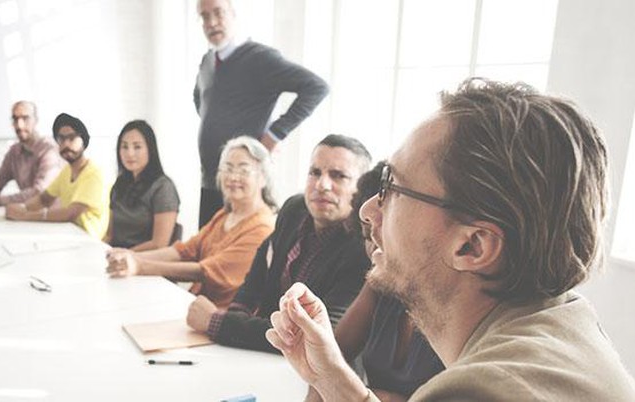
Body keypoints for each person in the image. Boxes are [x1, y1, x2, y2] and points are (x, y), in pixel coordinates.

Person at [265, 78, 635, 401]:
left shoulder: (476, 392)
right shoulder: (566, 316)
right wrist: (330, 379)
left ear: (472, 246)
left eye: (390, 187)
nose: (367, 211)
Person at [185, 134, 372, 353]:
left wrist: (219, 322)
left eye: (338, 176)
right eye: (315, 173)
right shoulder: (295, 209)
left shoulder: (364, 249)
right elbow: (257, 279)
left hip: (315, 375)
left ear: (360, 190)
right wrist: (235, 316)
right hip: (264, 355)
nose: (322, 185)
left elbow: (319, 336)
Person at [194, 0, 329, 228]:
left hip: (244, 183)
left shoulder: (260, 58)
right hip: (210, 180)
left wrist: (275, 134)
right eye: (204, 16)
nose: (212, 22)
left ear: (233, 14)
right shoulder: (207, 62)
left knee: (236, 258)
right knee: (203, 254)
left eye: (218, 13)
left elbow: (316, 87)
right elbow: (200, 100)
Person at [106, 136, 275, 308]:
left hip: (221, 317)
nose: (233, 177)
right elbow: (184, 251)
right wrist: (131, 256)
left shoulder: (262, 227)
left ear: (263, 178)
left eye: (243, 170)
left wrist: (140, 266)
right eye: (228, 168)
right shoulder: (225, 214)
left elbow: (204, 272)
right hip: (194, 303)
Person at [334, 161, 444, 402]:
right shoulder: (381, 281)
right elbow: (333, 354)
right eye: (366, 237)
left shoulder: (461, 301)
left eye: (381, 234)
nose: (375, 248)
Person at [5, 113, 109, 239]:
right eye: (61, 139)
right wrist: (22, 208)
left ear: (84, 141)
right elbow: (44, 199)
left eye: (71, 138)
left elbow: (70, 213)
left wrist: (25, 216)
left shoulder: (94, 173)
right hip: (69, 235)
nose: (66, 144)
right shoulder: (67, 171)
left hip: (90, 242)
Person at [105, 120, 180, 250]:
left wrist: (125, 255)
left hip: (146, 262)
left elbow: (159, 244)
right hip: (117, 257)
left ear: (150, 149)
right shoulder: (120, 184)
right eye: (124, 146)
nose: (130, 153)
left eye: (137, 147)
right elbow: (110, 235)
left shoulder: (163, 188)